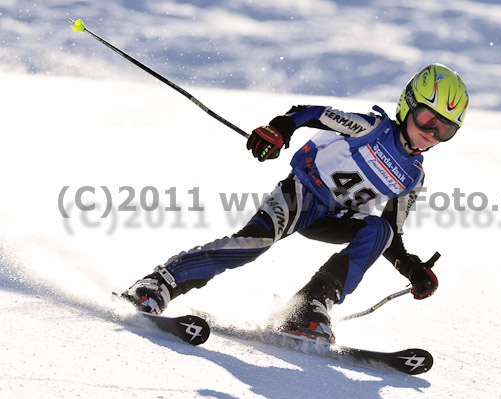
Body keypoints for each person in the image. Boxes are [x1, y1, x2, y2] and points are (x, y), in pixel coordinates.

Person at [121, 63, 469, 343]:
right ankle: (160, 283)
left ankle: (307, 308)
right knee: (253, 243)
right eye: (427, 119)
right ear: (407, 106)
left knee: (378, 229)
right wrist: (279, 130)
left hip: (336, 218)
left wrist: (412, 269)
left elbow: (391, 233)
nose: (432, 133)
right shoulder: (369, 128)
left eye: (445, 130)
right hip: (301, 195)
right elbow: (311, 112)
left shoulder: (413, 177)